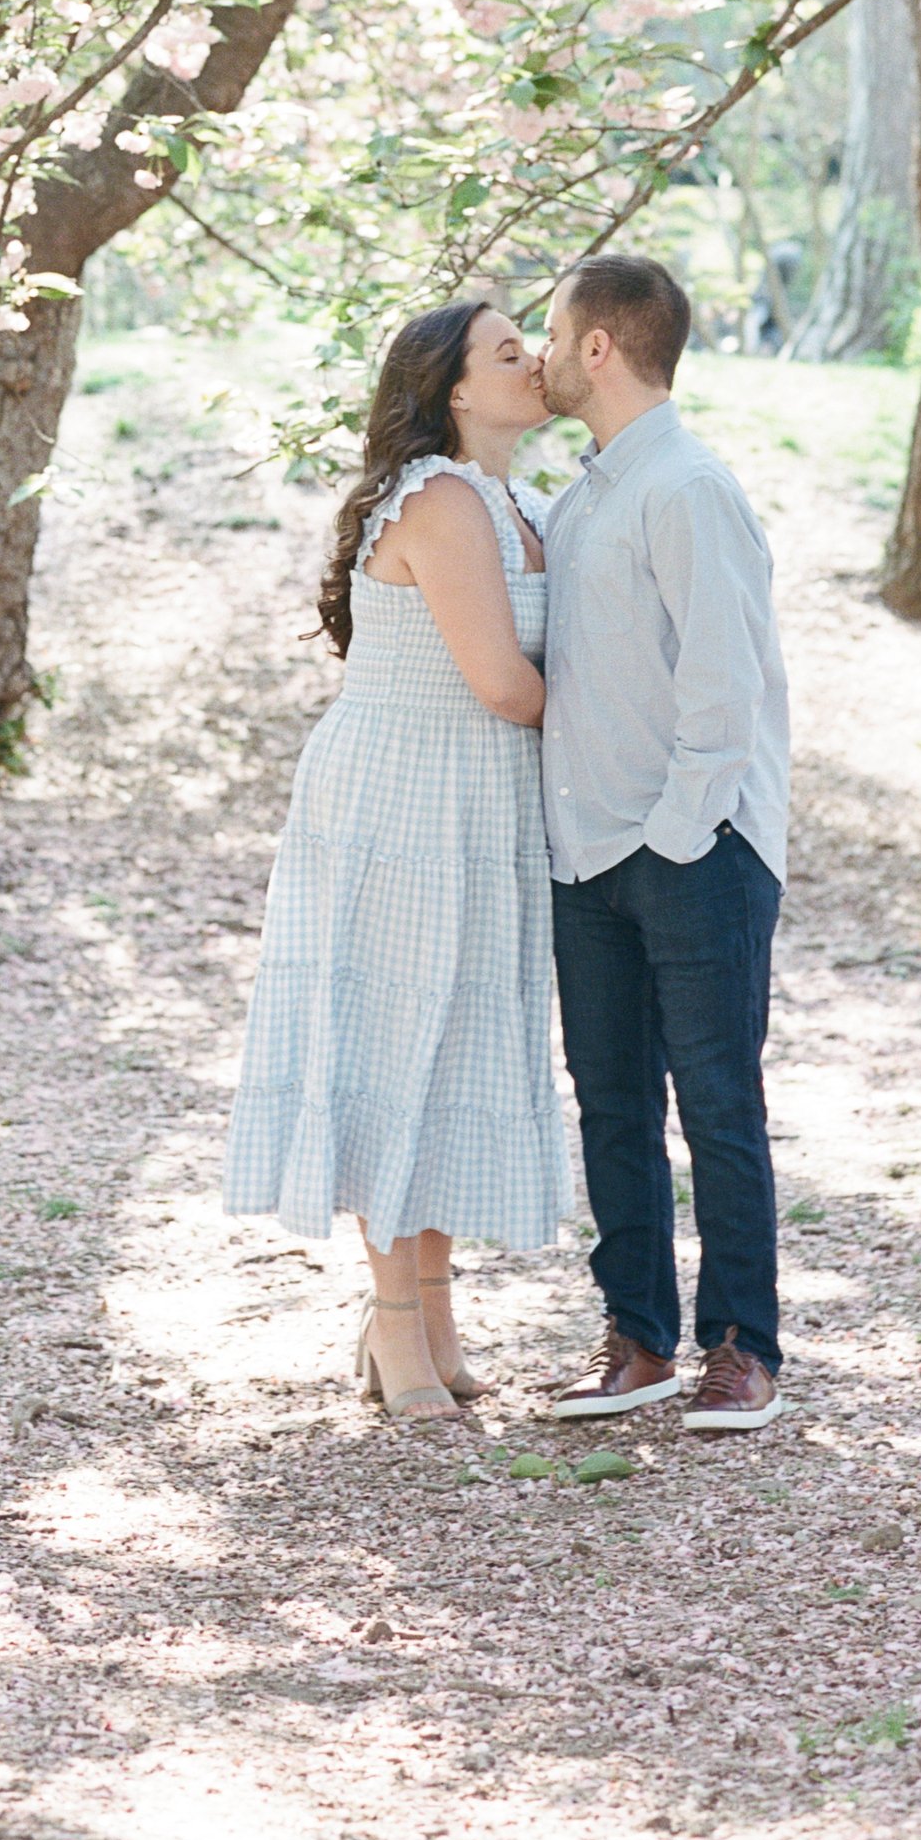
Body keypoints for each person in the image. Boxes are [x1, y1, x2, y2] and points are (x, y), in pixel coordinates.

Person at [224, 299, 570, 1425]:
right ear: (456, 388)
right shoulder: (442, 497)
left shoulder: (512, 495)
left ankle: (432, 1308)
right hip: (404, 795)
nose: (536, 360)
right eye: (509, 350)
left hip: (474, 797)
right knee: (391, 1039)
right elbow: (506, 686)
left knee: (452, 1038)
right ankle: (390, 1318)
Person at [535, 252, 792, 1434]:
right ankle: (636, 1337)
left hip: (695, 847)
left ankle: (741, 1347)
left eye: (548, 331)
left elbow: (724, 684)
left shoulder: (686, 486)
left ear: (598, 346)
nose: (538, 353)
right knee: (611, 1101)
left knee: (717, 1102)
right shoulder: (582, 496)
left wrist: (680, 837)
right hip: (587, 851)